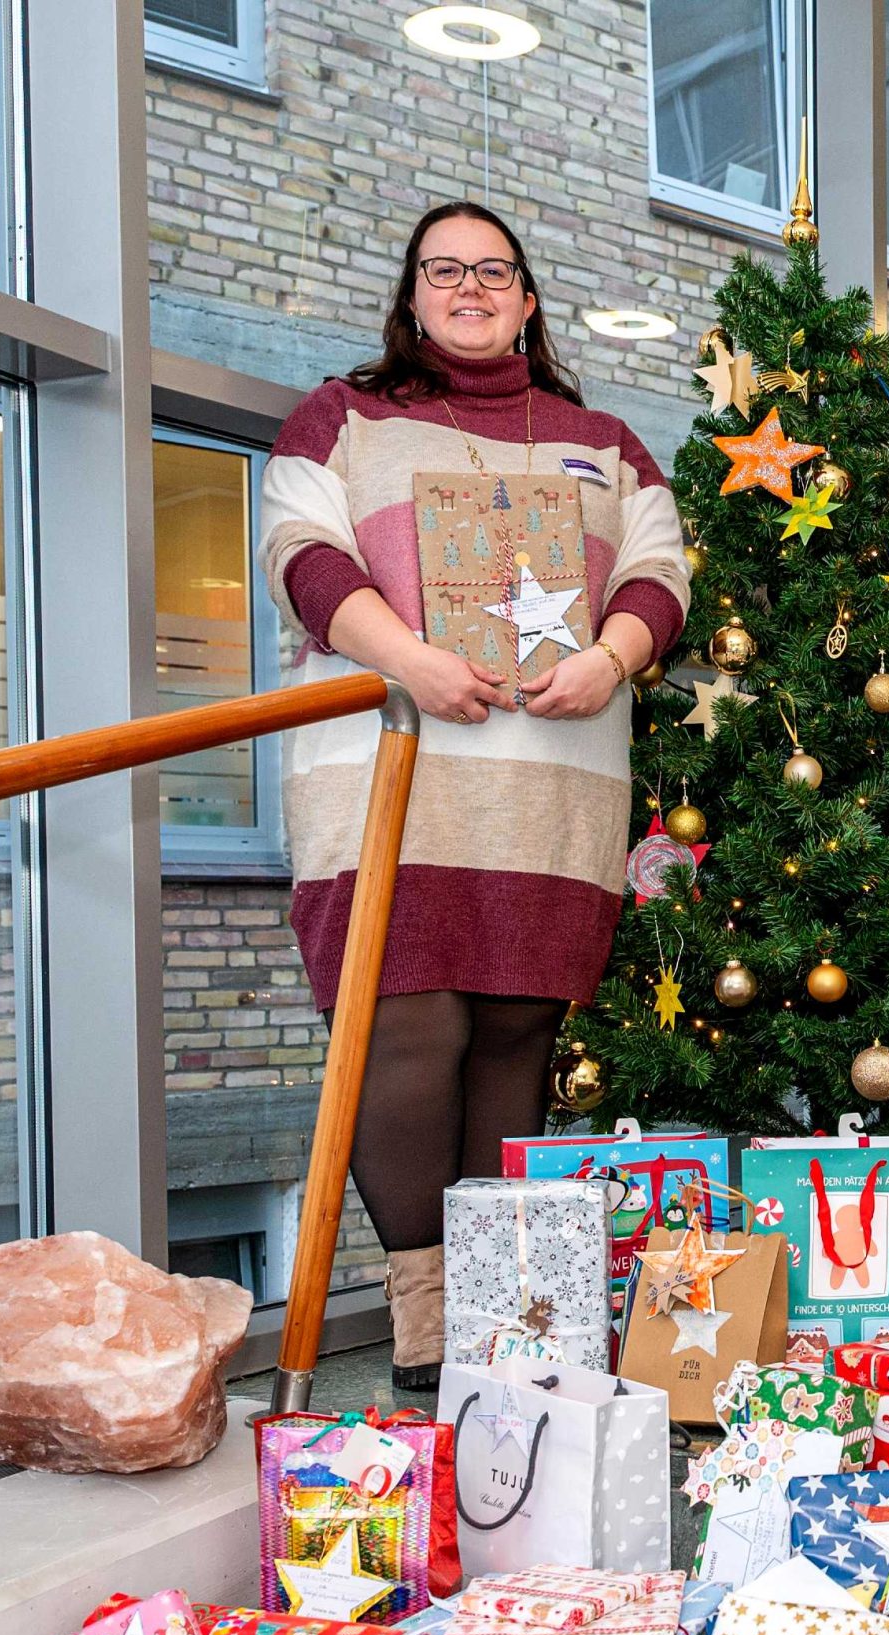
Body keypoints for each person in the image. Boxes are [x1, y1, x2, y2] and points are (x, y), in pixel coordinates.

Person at [257, 202, 689, 1388]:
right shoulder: (343, 418)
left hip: (554, 781)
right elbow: (299, 552)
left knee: (514, 1026)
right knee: (408, 1021)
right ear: (411, 296)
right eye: (443, 271)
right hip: (388, 768)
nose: (469, 288)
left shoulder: (604, 440)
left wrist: (606, 659)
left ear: (528, 298)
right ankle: (424, 1315)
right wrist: (408, 657)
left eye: (492, 271)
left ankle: (501, 1307)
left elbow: (660, 570)